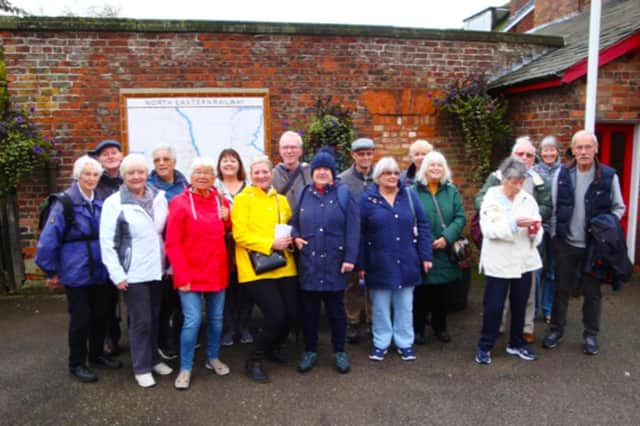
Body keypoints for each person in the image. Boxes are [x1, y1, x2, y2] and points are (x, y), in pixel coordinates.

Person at [36, 155, 122, 383]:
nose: (91, 178)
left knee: (101, 315)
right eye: (87, 174)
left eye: (95, 174)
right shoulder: (64, 203)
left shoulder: (102, 199)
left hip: (101, 269)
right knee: (80, 319)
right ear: (77, 176)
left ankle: (96, 355)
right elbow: (48, 240)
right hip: (76, 270)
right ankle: (77, 363)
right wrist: (50, 270)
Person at [543, 130, 625, 355]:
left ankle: (590, 335)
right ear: (573, 150)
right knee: (561, 289)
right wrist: (554, 236)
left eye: (588, 147)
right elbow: (554, 206)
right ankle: (556, 330)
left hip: (593, 247)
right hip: (565, 244)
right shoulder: (562, 174)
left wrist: (605, 228)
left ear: (596, 149)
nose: (583, 152)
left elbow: (619, 208)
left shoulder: (608, 175)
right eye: (579, 147)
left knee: (592, 293)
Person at [99, 154, 173, 388]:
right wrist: (117, 274)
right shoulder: (114, 202)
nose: (136, 176)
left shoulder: (159, 198)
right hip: (132, 272)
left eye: (140, 172)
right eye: (130, 173)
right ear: (123, 176)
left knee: (154, 317)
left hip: (157, 269)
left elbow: (165, 233)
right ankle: (141, 366)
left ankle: (152, 359)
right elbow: (107, 242)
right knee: (140, 321)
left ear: (146, 173)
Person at [474, 136, 551, 344]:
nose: (518, 186)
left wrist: (535, 231)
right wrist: (514, 224)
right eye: (514, 182)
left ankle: (517, 343)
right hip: (499, 260)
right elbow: (489, 228)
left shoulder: (529, 197)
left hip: (523, 259)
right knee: (495, 305)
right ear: (504, 179)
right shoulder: (491, 195)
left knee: (522, 303)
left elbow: (539, 222)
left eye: (521, 182)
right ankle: (486, 344)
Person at [289, 149, 360, 374]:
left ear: (332, 172)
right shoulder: (303, 193)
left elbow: (353, 228)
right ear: (312, 172)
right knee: (309, 312)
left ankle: (339, 351)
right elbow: (294, 222)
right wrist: (295, 236)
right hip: (309, 263)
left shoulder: (344, 193)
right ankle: (310, 351)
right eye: (317, 169)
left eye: (325, 169)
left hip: (335, 263)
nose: (321, 172)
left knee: (336, 311)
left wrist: (350, 258)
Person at [166, 157, 232, 390]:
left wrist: (228, 219)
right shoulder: (179, 203)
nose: (203, 176)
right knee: (192, 321)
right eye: (198, 173)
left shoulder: (221, 201)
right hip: (190, 275)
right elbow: (172, 243)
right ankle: (185, 367)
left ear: (214, 178)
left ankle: (212, 357)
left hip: (216, 270)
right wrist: (181, 276)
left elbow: (228, 231)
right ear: (190, 177)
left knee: (216, 320)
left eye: (207, 173)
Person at [359, 157, 432, 362]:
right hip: (378, 262)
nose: (392, 177)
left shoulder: (409, 196)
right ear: (378, 177)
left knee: (405, 305)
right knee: (380, 306)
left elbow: (424, 225)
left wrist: (425, 255)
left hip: (407, 259)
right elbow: (360, 234)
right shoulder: (367, 200)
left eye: (394, 173)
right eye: (386, 173)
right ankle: (381, 342)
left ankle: (404, 343)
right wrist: (362, 264)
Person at [232, 156, 298, 383]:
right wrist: (270, 244)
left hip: (284, 264)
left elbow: (289, 226)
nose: (261, 176)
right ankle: (254, 359)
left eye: (265, 172)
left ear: (271, 173)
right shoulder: (242, 200)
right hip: (255, 267)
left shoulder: (281, 199)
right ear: (251, 175)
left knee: (291, 313)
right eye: (257, 172)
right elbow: (240, 235)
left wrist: (291, 239)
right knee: (276, 314)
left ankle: (274, 346)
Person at [412, 151, 466, 344]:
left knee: (442, 293)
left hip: (444, 250)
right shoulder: (413, 192)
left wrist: (446, 237)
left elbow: (460, 217)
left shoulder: (451, 191)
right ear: (424, 168)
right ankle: (417, 329)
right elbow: (410, 218)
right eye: (432, 165)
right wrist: (426, 241)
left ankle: (440, 327)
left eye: (439, 165)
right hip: (422, 249)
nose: (435, 168)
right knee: (420, 293)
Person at [147, 146, 189, 361]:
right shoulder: (148, 187)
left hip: (183, 250)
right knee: (163, 302)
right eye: (157, 160)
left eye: (165, 159)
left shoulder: (185, 185)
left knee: (182, 300)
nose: (161, 163)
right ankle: (164, 342)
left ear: (174, 161)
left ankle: (180, 338)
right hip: (161, 251)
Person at [338, 137, 376, 344]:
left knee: (373, 281)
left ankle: (372, 320)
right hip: (352, 236)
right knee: (351, 282)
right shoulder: (342, 180)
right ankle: (352, 321)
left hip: (375, 237)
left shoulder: (380, 176)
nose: (365, 157)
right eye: (361, 154)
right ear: (353, 155)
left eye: (369, 153)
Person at [215, 148, 254, 347]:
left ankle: (245, 326)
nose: (229, 164)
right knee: (227, 288)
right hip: (221, 246)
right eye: (225, 161)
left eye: (233, 160)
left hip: (246, 246)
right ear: (219, 165)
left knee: (246, 287)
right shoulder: (213, 188)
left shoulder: (249, 188)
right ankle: (229, 328)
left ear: (239, 164)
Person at [91, 139, 124, 356]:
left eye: (114, 152)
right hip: (107, 246)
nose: (110, 156)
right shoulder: (95, 183)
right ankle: (110, 337)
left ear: (121, 156)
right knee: (106, 299)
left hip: (130, 245)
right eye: (105, 154)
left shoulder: (130, 178)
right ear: (99, 160)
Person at [532, 136, 562, 324]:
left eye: (552, 149)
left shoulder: (564, 171)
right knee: (536, 270)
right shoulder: (534, 172)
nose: (548, 153)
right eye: (545, 150)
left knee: (552, 271)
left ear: (558, 151)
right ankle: (533, 309)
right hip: (538, 227)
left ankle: (548, 308)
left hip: (557, 228)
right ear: (540, 152)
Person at [272, 130, 311, 209]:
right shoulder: (271, 176)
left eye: (293, 147)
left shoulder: (310, 173)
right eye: (285, 148)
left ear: (301, 151)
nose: (289, 151)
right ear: (280, 150)